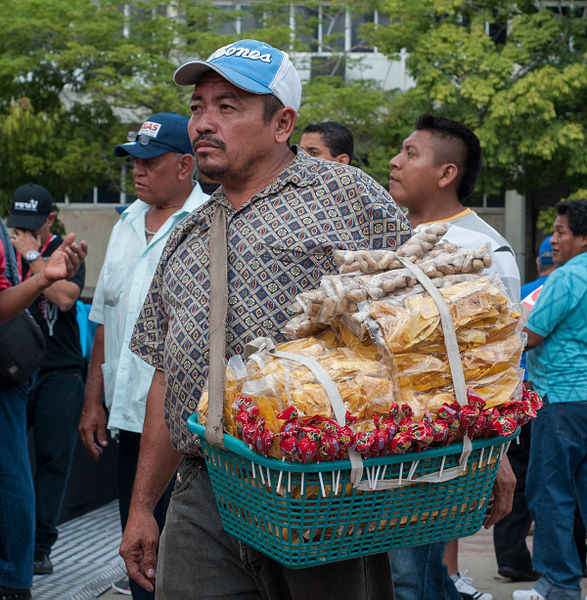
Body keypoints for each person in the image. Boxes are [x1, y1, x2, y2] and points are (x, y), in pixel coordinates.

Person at [120, 39, 411, 600]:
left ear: (283, 123)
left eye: (227, 107)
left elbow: (429, 315)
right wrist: (140, 508)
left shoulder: (348, 196)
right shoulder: (186, 235)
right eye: (199, 106)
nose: (204, 122)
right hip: (204, 492)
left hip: (320, 487)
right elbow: (167, 376)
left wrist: (486, 445)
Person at [386, 113, 519, 600]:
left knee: (409, 577)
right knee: (395, 576)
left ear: (447, 174)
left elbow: (502, 363)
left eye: (410, 153)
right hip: (376, 439)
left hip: (438, 446)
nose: (395, 162)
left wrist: (495, 452)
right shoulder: (386, 239)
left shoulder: (485, 249)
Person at [78, 112, 208, 600]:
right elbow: (103, 319)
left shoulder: (204, 226)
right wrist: (94, 401)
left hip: (183, 430)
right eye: (134, 160)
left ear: (184, 165)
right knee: (137, 549)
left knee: (182, 556)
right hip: (128, 419)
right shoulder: (126, 223)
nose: (138, 171)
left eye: (150, 162)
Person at [0, 213, 86, 600]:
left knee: (30, 466)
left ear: (48, 219)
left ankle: (21, 569)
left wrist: (35, 260)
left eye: (32, 221)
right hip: (28, 368)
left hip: (45, 369)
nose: (23, 227)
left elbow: (65, 298)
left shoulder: (51, 250)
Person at [513, 198, 587, 600]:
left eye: (561, 233)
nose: (554, 241)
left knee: (550, 491)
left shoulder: (566, 278)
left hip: (561, 398)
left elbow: (534, 334)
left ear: (583, 238)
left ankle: (558, 584)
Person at [493, 236, 555, 583]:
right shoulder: (568, 286)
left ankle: (511, 557)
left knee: (513, 483)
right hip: (547, 396)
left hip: (515, 396)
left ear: (537, 260)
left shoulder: (525, 290)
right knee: (551, 484)